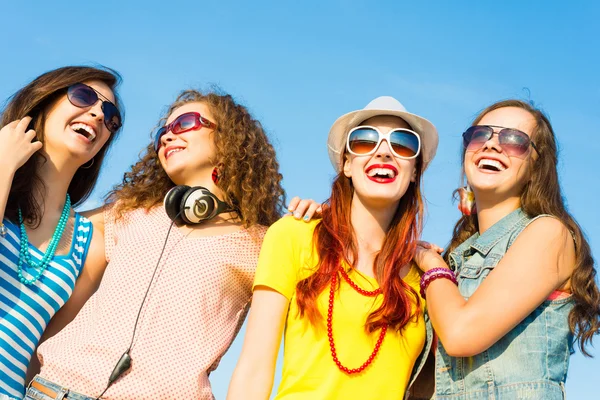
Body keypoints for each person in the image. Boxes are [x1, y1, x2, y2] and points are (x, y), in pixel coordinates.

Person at [25, 89, 311, 399]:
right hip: (53, 390)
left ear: (229, 140)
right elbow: (44, 223)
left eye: (185, 123)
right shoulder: (126, 213)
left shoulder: (263, 242)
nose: (167, 136)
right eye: (164, 130)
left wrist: (319, 221)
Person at [228, 96, 439, 399]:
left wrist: (436, 269)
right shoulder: (294, 235)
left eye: (402, 144)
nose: (383, 152)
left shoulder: (426, 277)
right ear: (347, 164)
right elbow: (253, 369)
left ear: (415, 172)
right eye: (364, 141)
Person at [414, 100, 600, 399]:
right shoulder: (457, 259)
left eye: (514, 140)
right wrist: (320, 221)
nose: (492, 145)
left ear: (536, 167)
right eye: (480, 135)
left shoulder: (549, 233)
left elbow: (462, 334)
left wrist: (430, 264)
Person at [0, 66, 124, 399]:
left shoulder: (89, 243)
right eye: (83, 96)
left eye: (111, 116)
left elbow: (43, 358)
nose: (98, 113)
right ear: (42, 105)